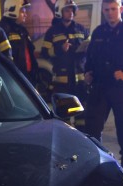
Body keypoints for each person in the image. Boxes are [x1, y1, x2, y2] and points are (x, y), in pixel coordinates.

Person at [83, 0, 123, 173]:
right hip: (100, 86)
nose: (110, 13)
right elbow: (90, 57)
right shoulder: (99, 32)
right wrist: (88, 72)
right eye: (107, 10)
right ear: (103, 11)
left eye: (113, 9)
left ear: (121, 9)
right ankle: (98, 162)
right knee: (92, 127)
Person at [41, 0, 90, 128]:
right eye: (67, 10)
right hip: (62, 82)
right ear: (60, 12)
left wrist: (87, 48)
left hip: (80, 82)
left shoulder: (82, 29)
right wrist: (59, 50)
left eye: (72, 10)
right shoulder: (52, 32)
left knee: (82, 117)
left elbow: (90, 48)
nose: (71, 13)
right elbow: (45, 52)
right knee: (65, 117)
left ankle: (81, 139)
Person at [0, 0, 38, 84]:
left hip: (26, 76)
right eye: (22, 11)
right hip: (13, 79)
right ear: (13, 10)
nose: (25, 14)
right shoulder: (3, 31)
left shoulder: (22, 30)